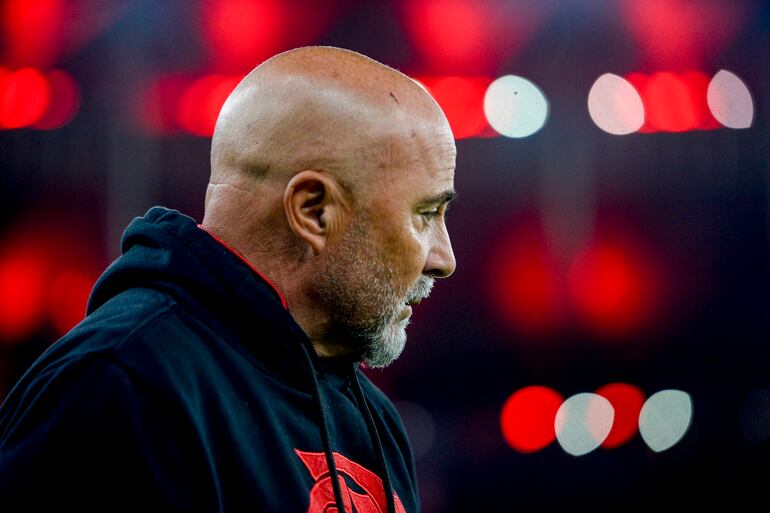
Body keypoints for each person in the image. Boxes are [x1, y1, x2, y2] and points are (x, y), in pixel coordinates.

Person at [0, 46, 457, 512]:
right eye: (425, 214)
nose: (444, 259)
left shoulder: (371, 417)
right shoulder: (119, 385)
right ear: (313, 212)